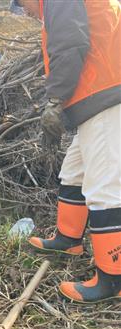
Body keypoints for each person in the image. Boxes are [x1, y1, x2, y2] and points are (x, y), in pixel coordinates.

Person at [13, 0, 120, 303]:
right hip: (99, 95)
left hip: (106, 95)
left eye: (21, 6)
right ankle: (68, 239)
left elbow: (71, 44)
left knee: (105, 188)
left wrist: (55, 101)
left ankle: (113, 278)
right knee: (74, 171)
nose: (25, 12)